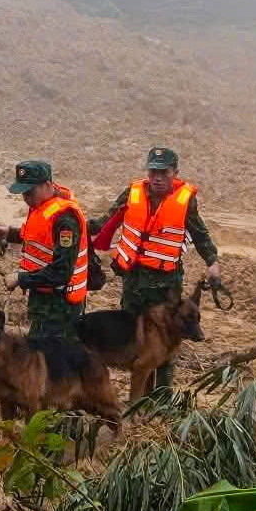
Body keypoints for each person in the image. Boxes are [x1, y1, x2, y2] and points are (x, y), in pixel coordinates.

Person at [89, 146, 220, 392]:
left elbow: (200, 233)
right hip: (135, 282)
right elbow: (104, 221)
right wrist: (80, 227)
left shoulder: (184, 201)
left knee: (168, 341)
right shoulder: (133, 192)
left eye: (164, 172)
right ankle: (138, 397)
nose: (157, 177)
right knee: (132, 340)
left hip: (166, 286)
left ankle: (161, 398)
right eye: (153, 171)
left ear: (175, 173)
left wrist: (212, 262)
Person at [0, 160, 88, 342]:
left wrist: (21, 278)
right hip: (44, 299)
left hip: (59, 306)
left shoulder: (64, 220)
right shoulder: (40, 206)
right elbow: (40, 239)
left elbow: (61, 272)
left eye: (29, 191)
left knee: (50, 358)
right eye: (23, 193)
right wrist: (9, 233)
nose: (26, 197)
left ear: (47, 185)